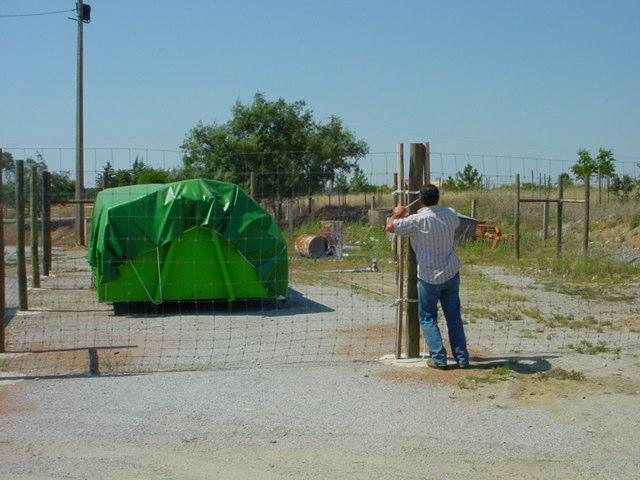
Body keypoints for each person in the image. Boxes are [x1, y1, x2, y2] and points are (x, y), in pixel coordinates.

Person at [385, 184, 470, 369]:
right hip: (451, 273)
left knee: (427, 317)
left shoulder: (416, 220)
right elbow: (453, 219)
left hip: (428, 276)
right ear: (438, 197)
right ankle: (462, 358)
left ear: (421, 200)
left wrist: (397, 213)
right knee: (453, 316)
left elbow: (390, 227)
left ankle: (439, 359)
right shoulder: (450, 214)